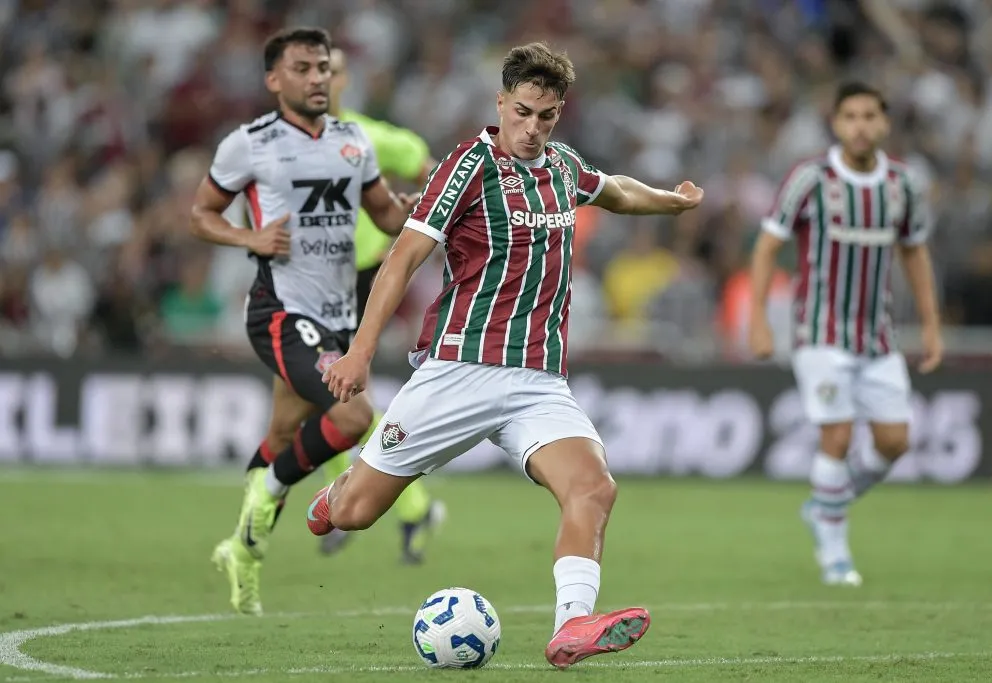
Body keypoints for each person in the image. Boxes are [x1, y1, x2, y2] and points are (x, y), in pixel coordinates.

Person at [307, 42, 704, 669]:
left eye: (546, 116)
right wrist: (359, 353)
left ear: (559, 114)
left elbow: (617, 192)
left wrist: (670, 199)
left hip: (539, 380)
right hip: (458, 371)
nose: (532, 127)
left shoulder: (563, 166)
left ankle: (572, 626)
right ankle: (339, 492)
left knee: (594, 488)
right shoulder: (466, 167)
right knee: (355, 514)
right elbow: (403, 258)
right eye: (522, 112)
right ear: (501, 102)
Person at [189, 27, 418, 616]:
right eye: (303, 68)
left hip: (339, 317)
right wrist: (251, 236)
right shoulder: (249, 145)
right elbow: (201, 214)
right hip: (281, 311)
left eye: (323, 67)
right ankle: (267, 496)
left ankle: (242, 550)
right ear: (274, 79)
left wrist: (426, 208)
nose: (318, 78)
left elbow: (387, 215)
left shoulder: (353, 141)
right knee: (353, 412)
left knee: (286, 435)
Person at [748, 82, 943, 587]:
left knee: (895, 442)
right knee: (836, 434)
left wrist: (931, 325)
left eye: (869, 116)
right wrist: (758, 318)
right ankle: (835, 555)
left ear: (885, 123)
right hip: (819, 332)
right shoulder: (809, 178)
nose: (860, 125)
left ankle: (825, 505)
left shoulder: (902, 183)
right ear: (836, 123)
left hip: (878, 336)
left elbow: (915, 254)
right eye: (850, 116)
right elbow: (768, 246)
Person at [316, 47, 445, 561]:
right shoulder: (279, 143)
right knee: (323, 399)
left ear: (346, 82)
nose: (321, 81)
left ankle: (397, 505)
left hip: (358, 279)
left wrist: (411, 232)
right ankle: (396, 506)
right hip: (306, 284)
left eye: (331, 71)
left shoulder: (371, 138)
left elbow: (434, 175)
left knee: (332, 394)